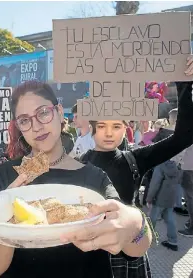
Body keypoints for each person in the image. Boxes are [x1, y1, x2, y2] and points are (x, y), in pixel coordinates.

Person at [0, 81, 152, 278]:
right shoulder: (5, 176)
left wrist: (137, 223)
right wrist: (7, 209)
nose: (36, 126)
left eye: (43, 112)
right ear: (19, 126)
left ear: (60, 112)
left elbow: (137, 249)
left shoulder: (94, 177)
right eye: (24, 120)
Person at [80, 56, 193, 206]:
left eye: (116, 126)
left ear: (125, 128)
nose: (109, 133)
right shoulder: (78, 164)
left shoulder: (136, 160)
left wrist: (184, 82)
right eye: (101, 126)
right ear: (92, 128)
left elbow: (184, 137)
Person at [146, 159, 182, 251]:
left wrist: (149, 198)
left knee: (151, 219)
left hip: (159, 198)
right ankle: (173, 241)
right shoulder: (175, 165)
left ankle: (146, 240)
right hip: (171, 197)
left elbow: (155, 184)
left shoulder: (160, 166)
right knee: (169, 218)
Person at [178, 144, 193, 237]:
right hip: (189, 168)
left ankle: (192, 228)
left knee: (190, 199)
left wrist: (179, 161)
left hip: (189, 168)